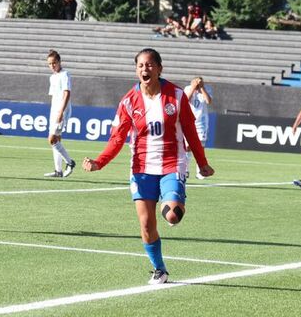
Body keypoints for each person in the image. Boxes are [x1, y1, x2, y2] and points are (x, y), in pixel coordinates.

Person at [82, 48, 214, 285]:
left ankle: (172, 199)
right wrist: (98, 162)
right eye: (141, 65)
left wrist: (202, 163)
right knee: (146, 224)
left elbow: (191, 133)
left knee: (172, 216)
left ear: (160, 68)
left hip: (172, 163)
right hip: (141, 168)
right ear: (136, 70)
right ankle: (159, 269)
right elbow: (117, 138)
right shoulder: (128, 102)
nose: (145, 69)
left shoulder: (176, 96)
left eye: (150, 65)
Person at [44, 50, 75, 178]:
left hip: (62, 111)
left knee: (51, 139)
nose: (52, 66)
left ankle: (70, 162)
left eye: (54, 63)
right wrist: (53, 112)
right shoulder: (52, 77)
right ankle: (58, 170)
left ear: (59, 62)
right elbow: (54, 97)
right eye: (50, 64)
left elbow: (66, 93)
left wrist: (61, 112)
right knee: (57, 139)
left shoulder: (65, 75)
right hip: (54, 110)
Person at [183, 77, 212, 179]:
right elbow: (185, 100)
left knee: (200, 147)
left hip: (201, 123)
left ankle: (200, 171)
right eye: (196, 82)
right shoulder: (187, 88)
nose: (198, 83)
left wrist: (202, 88)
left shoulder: (206, 89)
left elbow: (208, 101)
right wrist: (193, 87)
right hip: (189, 121)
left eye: (200, 82)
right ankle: (185, 170)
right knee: (186, 147)